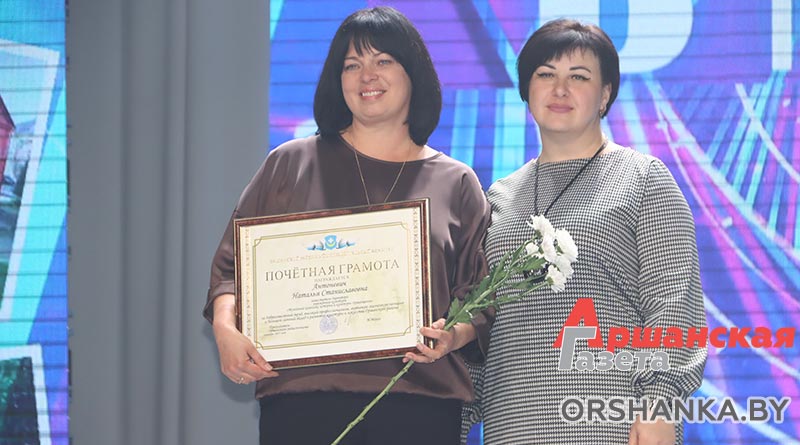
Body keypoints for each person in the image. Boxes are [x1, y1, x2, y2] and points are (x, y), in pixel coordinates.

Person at [204, 6, 492, 445]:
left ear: (414, 73)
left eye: (383, 61)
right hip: (302, 406)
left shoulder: (456, 182)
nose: (366, 76)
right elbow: (231, 271)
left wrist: (453, 335)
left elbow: (479, 296)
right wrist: (225, 330)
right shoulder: (291, 164)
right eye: (351, 65)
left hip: (418, 405)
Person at [471, 19, 707, 444]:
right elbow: (481, 324)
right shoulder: (498, 197)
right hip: (512, 426)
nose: (560, 89)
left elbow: (675, 305)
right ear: (527, 90)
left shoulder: (643, 179)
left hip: (611, 423)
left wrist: (660, 403)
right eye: (545, 74)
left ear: (605, 95)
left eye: (578, 77)